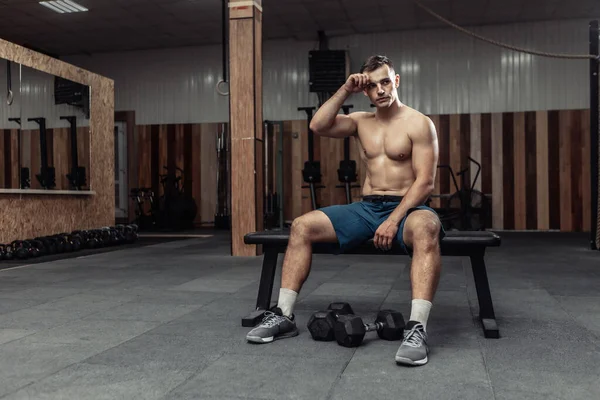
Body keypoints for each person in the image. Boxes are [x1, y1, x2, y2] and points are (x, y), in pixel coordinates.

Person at [246, 55, 444, 366]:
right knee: (301, 226)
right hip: (367, 207)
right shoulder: (361, 122)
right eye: (373, 85)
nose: (380, 89)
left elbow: (425, 183)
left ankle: (416, 327)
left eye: (385, 81)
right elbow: (318, 125)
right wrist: (344, 88)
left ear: (397, 80)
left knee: (427, 228)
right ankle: (283, 315)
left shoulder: (419, 123)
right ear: (365, 91)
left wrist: (393, 220)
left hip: (408, 207)